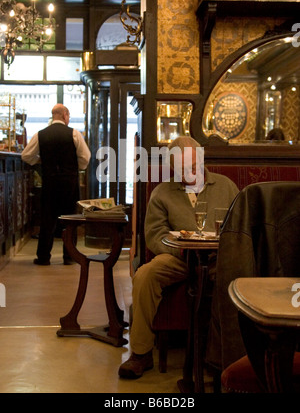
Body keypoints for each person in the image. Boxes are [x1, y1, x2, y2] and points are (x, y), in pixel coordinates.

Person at [118, 136, 239, 379]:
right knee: (145, 275)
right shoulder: (162, 192)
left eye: (193, 167)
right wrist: (181, 248)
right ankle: (140, 353)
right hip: (179, 259)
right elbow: (155, 234)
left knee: (239, 275)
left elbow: (241, 225)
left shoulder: (226, 187)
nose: (189, 173)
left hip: (219, 259)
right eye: (182, 169)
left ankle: (225, 355)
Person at [21, 103, 91, 265]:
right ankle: (69, 256)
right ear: (65, 115)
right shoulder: (74, 133)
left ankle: (43, 257)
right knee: (70, 219)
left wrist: (40, 161)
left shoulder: (41, 134)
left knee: (47, 218)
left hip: (50, 181)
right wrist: (75, 166)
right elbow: (85, 157)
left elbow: (26, 156)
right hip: (69, 181)